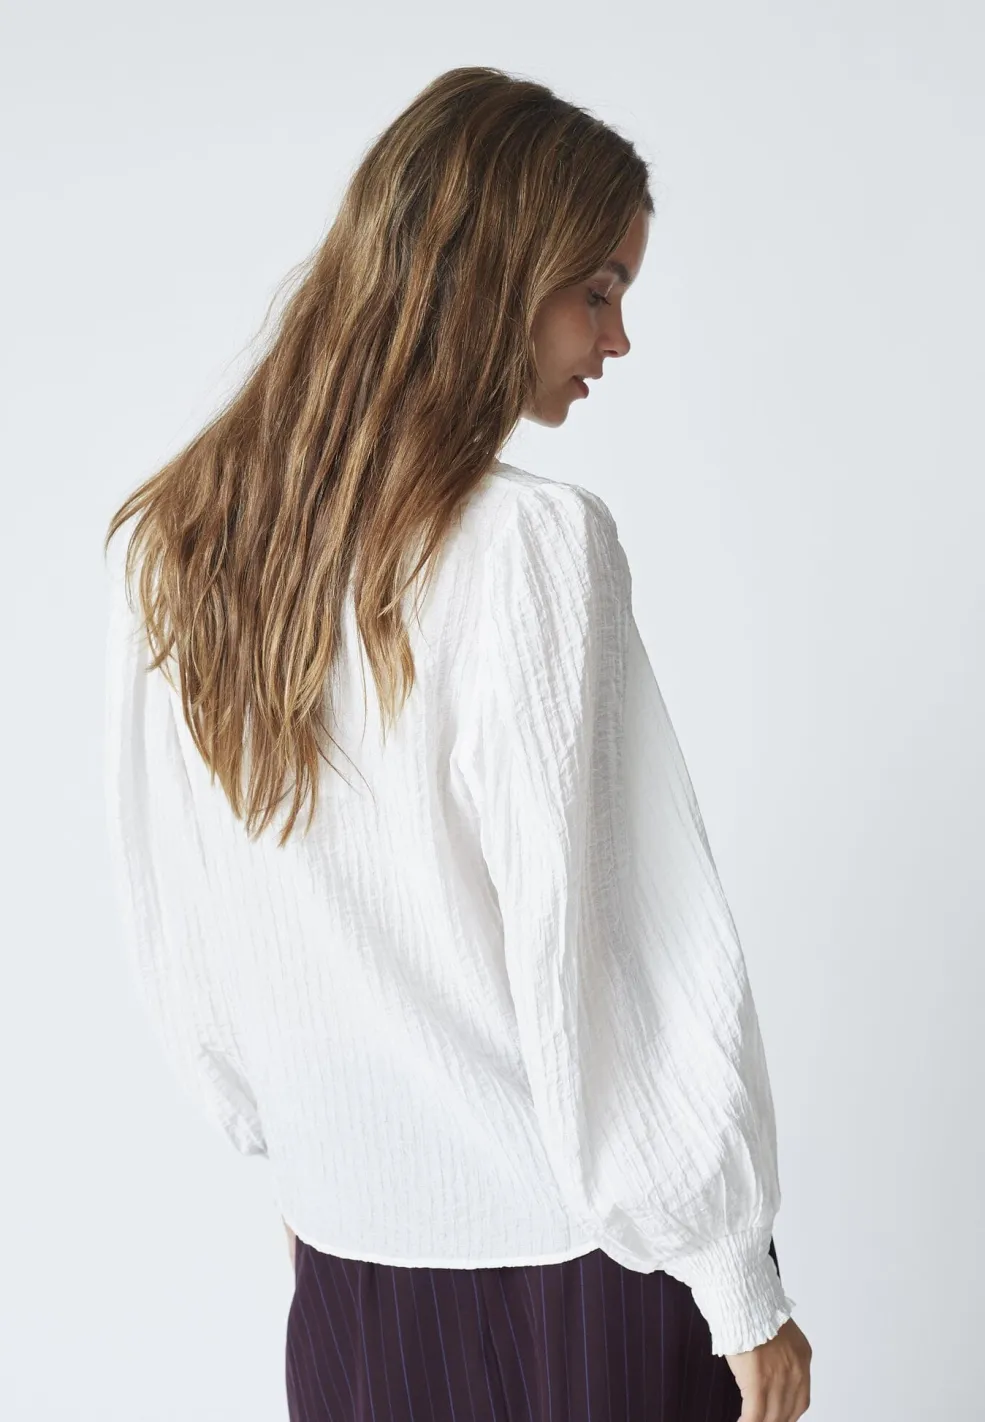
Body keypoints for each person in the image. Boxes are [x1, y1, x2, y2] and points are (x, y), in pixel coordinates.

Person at [102, 65, 812, 1422]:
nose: (618, 339)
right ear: (494, 276)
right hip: (578, 1275)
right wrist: (733, 1272)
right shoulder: (533, 546)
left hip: (347, 1271)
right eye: (597, 289)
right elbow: (618, 949)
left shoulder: (183, 545)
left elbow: (184, 923)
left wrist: (310, 1158)